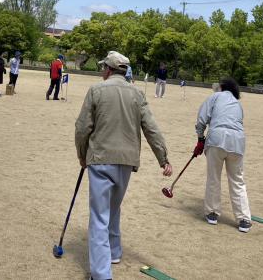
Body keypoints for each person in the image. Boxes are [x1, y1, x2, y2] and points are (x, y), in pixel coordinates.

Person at [75, 50, 173, 280]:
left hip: (100, 158)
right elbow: (151, 128)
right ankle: (114, 252)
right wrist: (164, 158)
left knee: (99, 215)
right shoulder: (137, 93)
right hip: (126, 162)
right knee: (113, 206)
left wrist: (81, 154)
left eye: (103, 68)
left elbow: (82, 128)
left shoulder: (96, 90)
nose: (102, 71)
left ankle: (101, 274)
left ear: (109, 70)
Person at [193, 77, 252, 233]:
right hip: (237, 143)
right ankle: (244, 219)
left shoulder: (215, 96)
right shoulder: (238, 104)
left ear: (221, 87)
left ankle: (212, 212)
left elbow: (201, 119)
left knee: (214, 177)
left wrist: (200, 138)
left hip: (217, 141)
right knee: (238, 181)